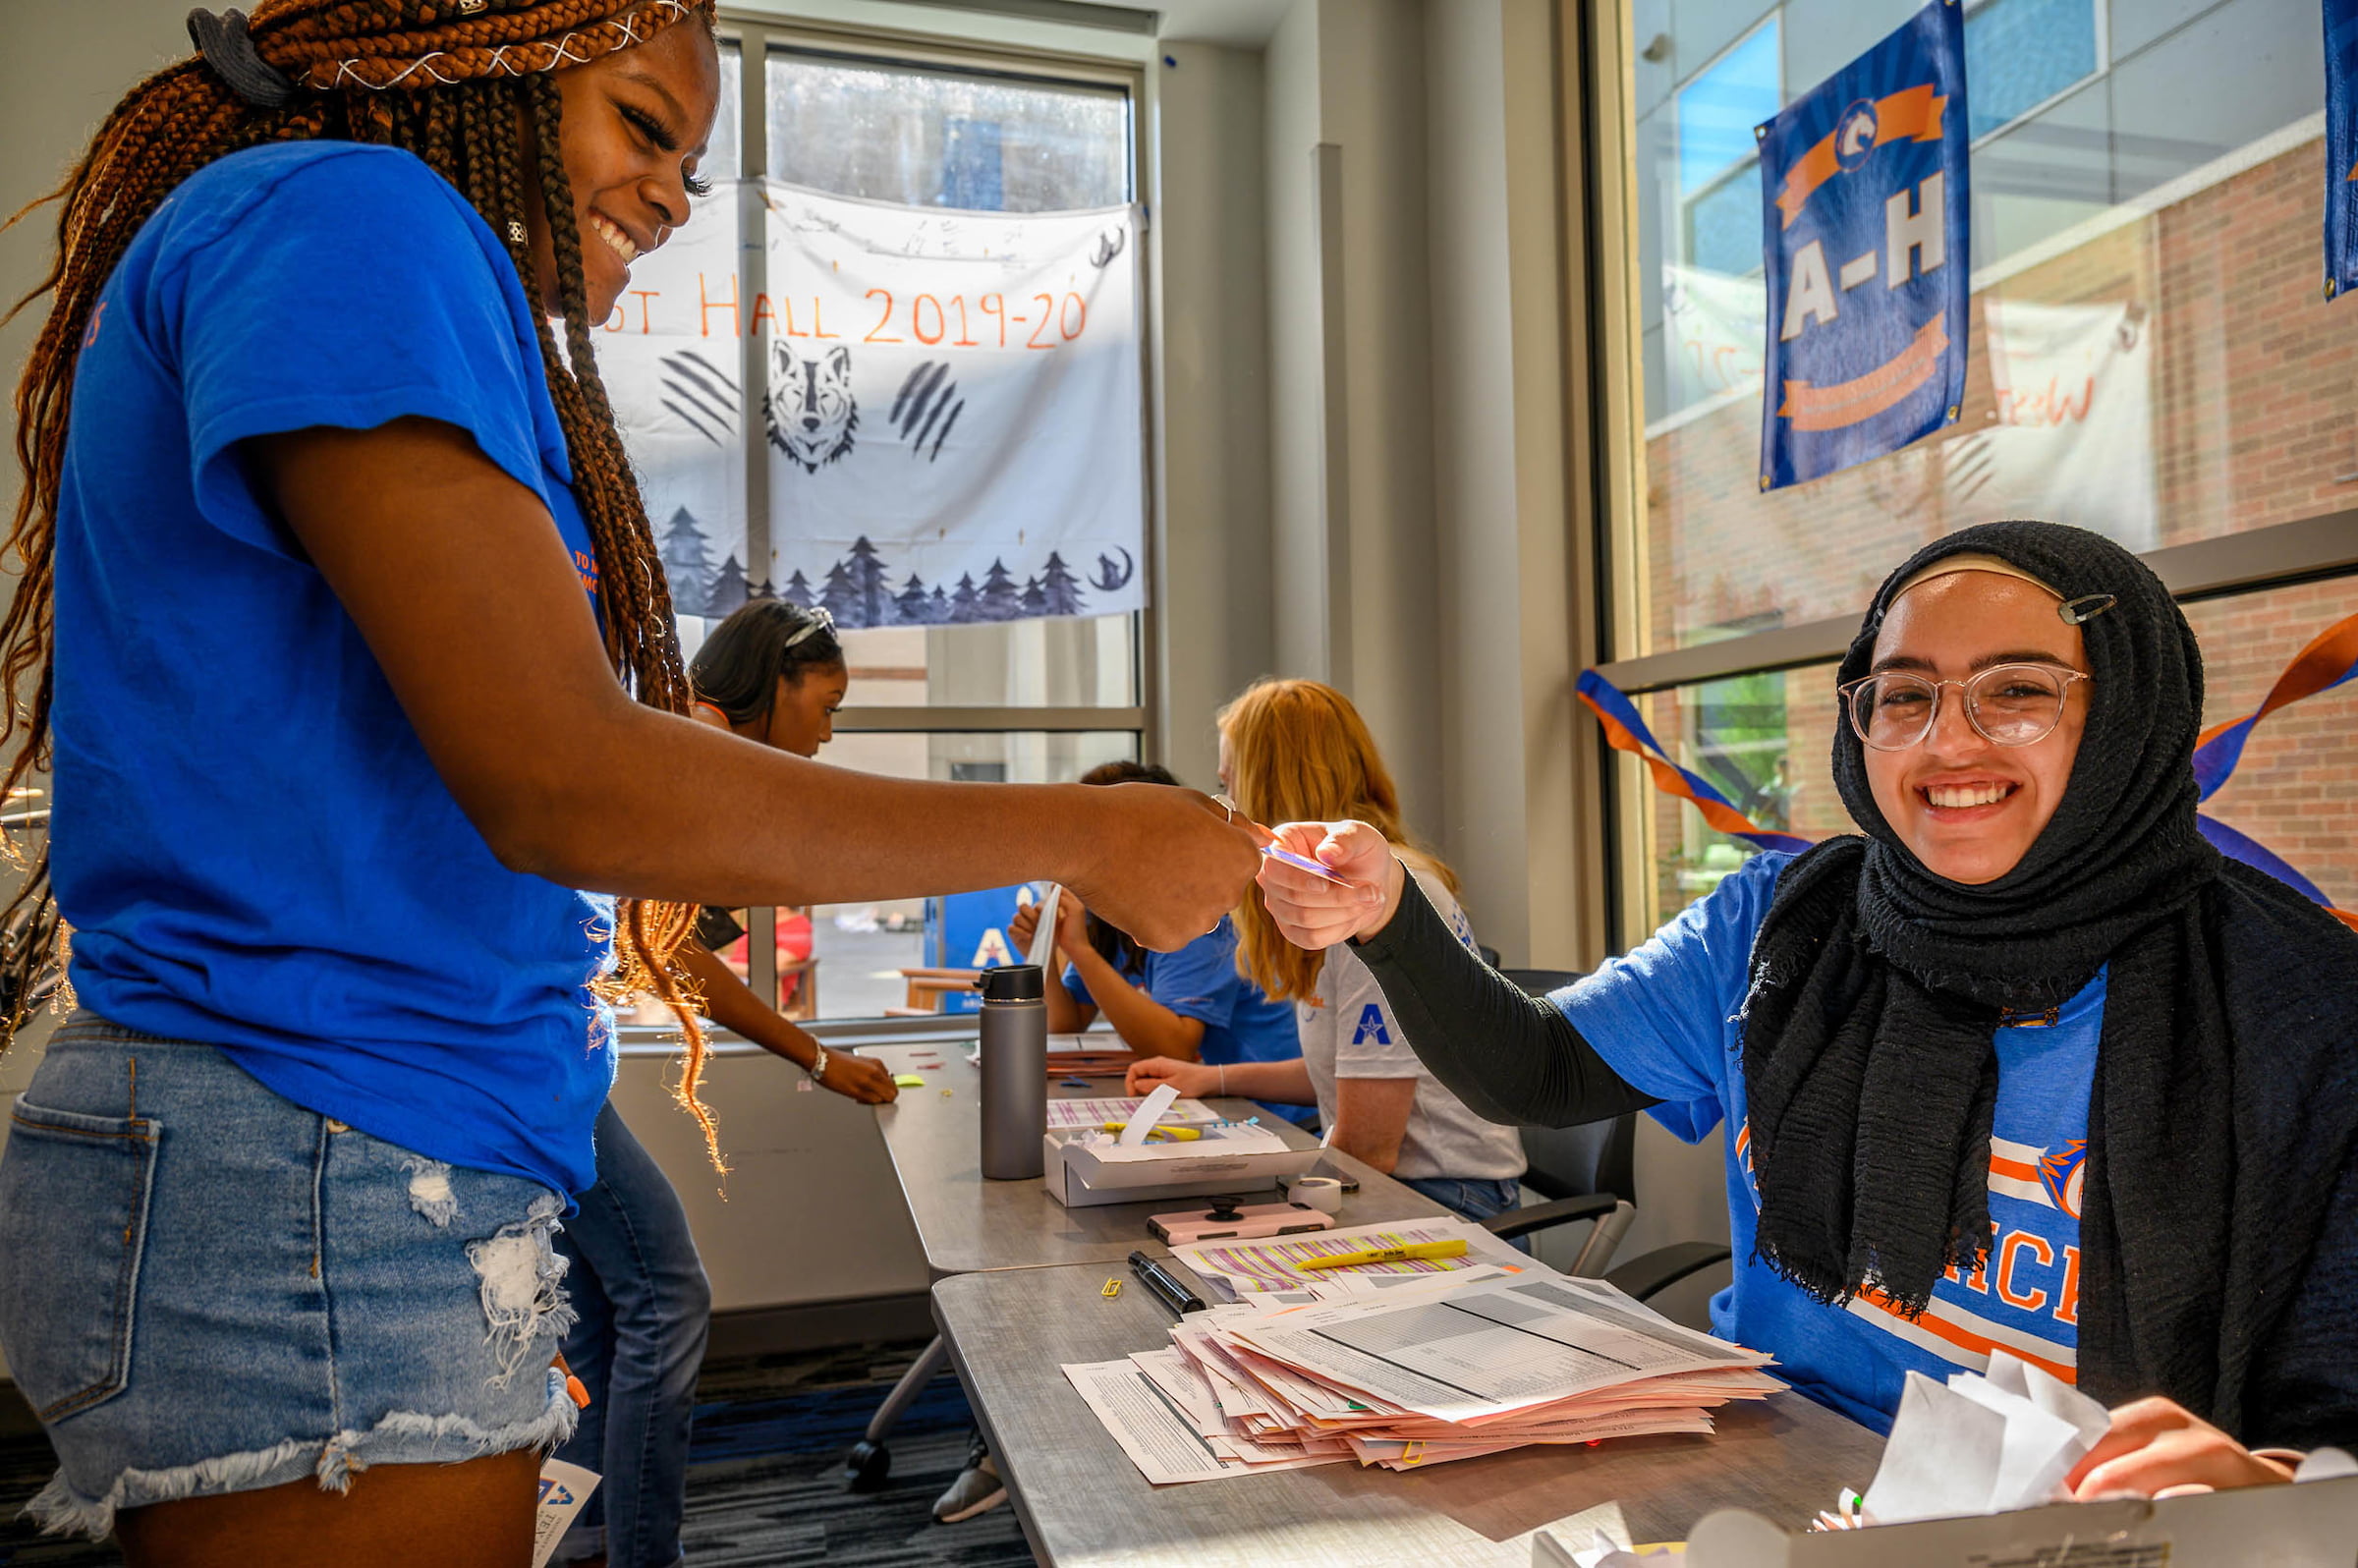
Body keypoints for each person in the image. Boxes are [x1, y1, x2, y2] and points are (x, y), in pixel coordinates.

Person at [0, 5, 1258, 1563]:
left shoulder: (361, 245)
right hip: (317, 1159)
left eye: (693, 159)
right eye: (643, 126)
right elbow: (563, 777)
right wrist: (1093, 833)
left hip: (352, 1143)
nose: (672, 197)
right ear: (461, 62)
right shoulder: (353, 214)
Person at [1255, 522, 2358, 1496]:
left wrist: (2285, 1484)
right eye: (1905, 694)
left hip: (2070, 1525)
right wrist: (1390, 914)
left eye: (2018, 691)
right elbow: (1533, 1073)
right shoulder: (1777, 928)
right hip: (1764, 1475)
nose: (1947, 742)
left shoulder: (2299, 1012)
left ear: (2130, 715)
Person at [551, 599, 896, 1568]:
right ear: (774, 684)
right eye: (826, 705)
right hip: (533, 1054)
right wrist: (815, 1057)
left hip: (528, 1047)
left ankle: (582, 1540)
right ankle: (641, 1556)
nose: (828, 734)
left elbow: (666, 945)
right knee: (665, 1295)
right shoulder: (690, 751)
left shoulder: (674, 735)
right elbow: (676, 953)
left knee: (597, 1315)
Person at [1130, 680, 1528, 1226]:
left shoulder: (1379, 898)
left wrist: (1250, 1194)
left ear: (1269, 787)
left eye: (1231, 787)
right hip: (1403, 1183)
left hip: (1445, 1198)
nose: (1227, 809)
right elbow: (1347, 1072)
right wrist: (1214, 1079)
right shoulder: (1346, 888)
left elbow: (1370, 1147)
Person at [1010, 759, 1307, 1125]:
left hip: (1271, 1115)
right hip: (1218, 1105)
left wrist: (1079, 950)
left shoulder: (1201, 918)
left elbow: (1175, 1048)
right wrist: (1041, 953)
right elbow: (1067, 1026)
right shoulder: (1113, 923)